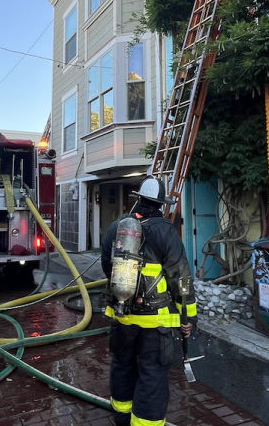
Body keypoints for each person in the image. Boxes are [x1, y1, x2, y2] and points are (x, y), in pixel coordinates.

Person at [101, 176, 197, 426]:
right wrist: (188, 318)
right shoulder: (166, 231)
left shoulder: (117, 227)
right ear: (160, 205)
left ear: (139, 199)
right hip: (155, 322)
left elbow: (106, 266)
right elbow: (181, 279)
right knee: (152, 373)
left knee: (122, 364)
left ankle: (121, 416)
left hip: (122, 314)